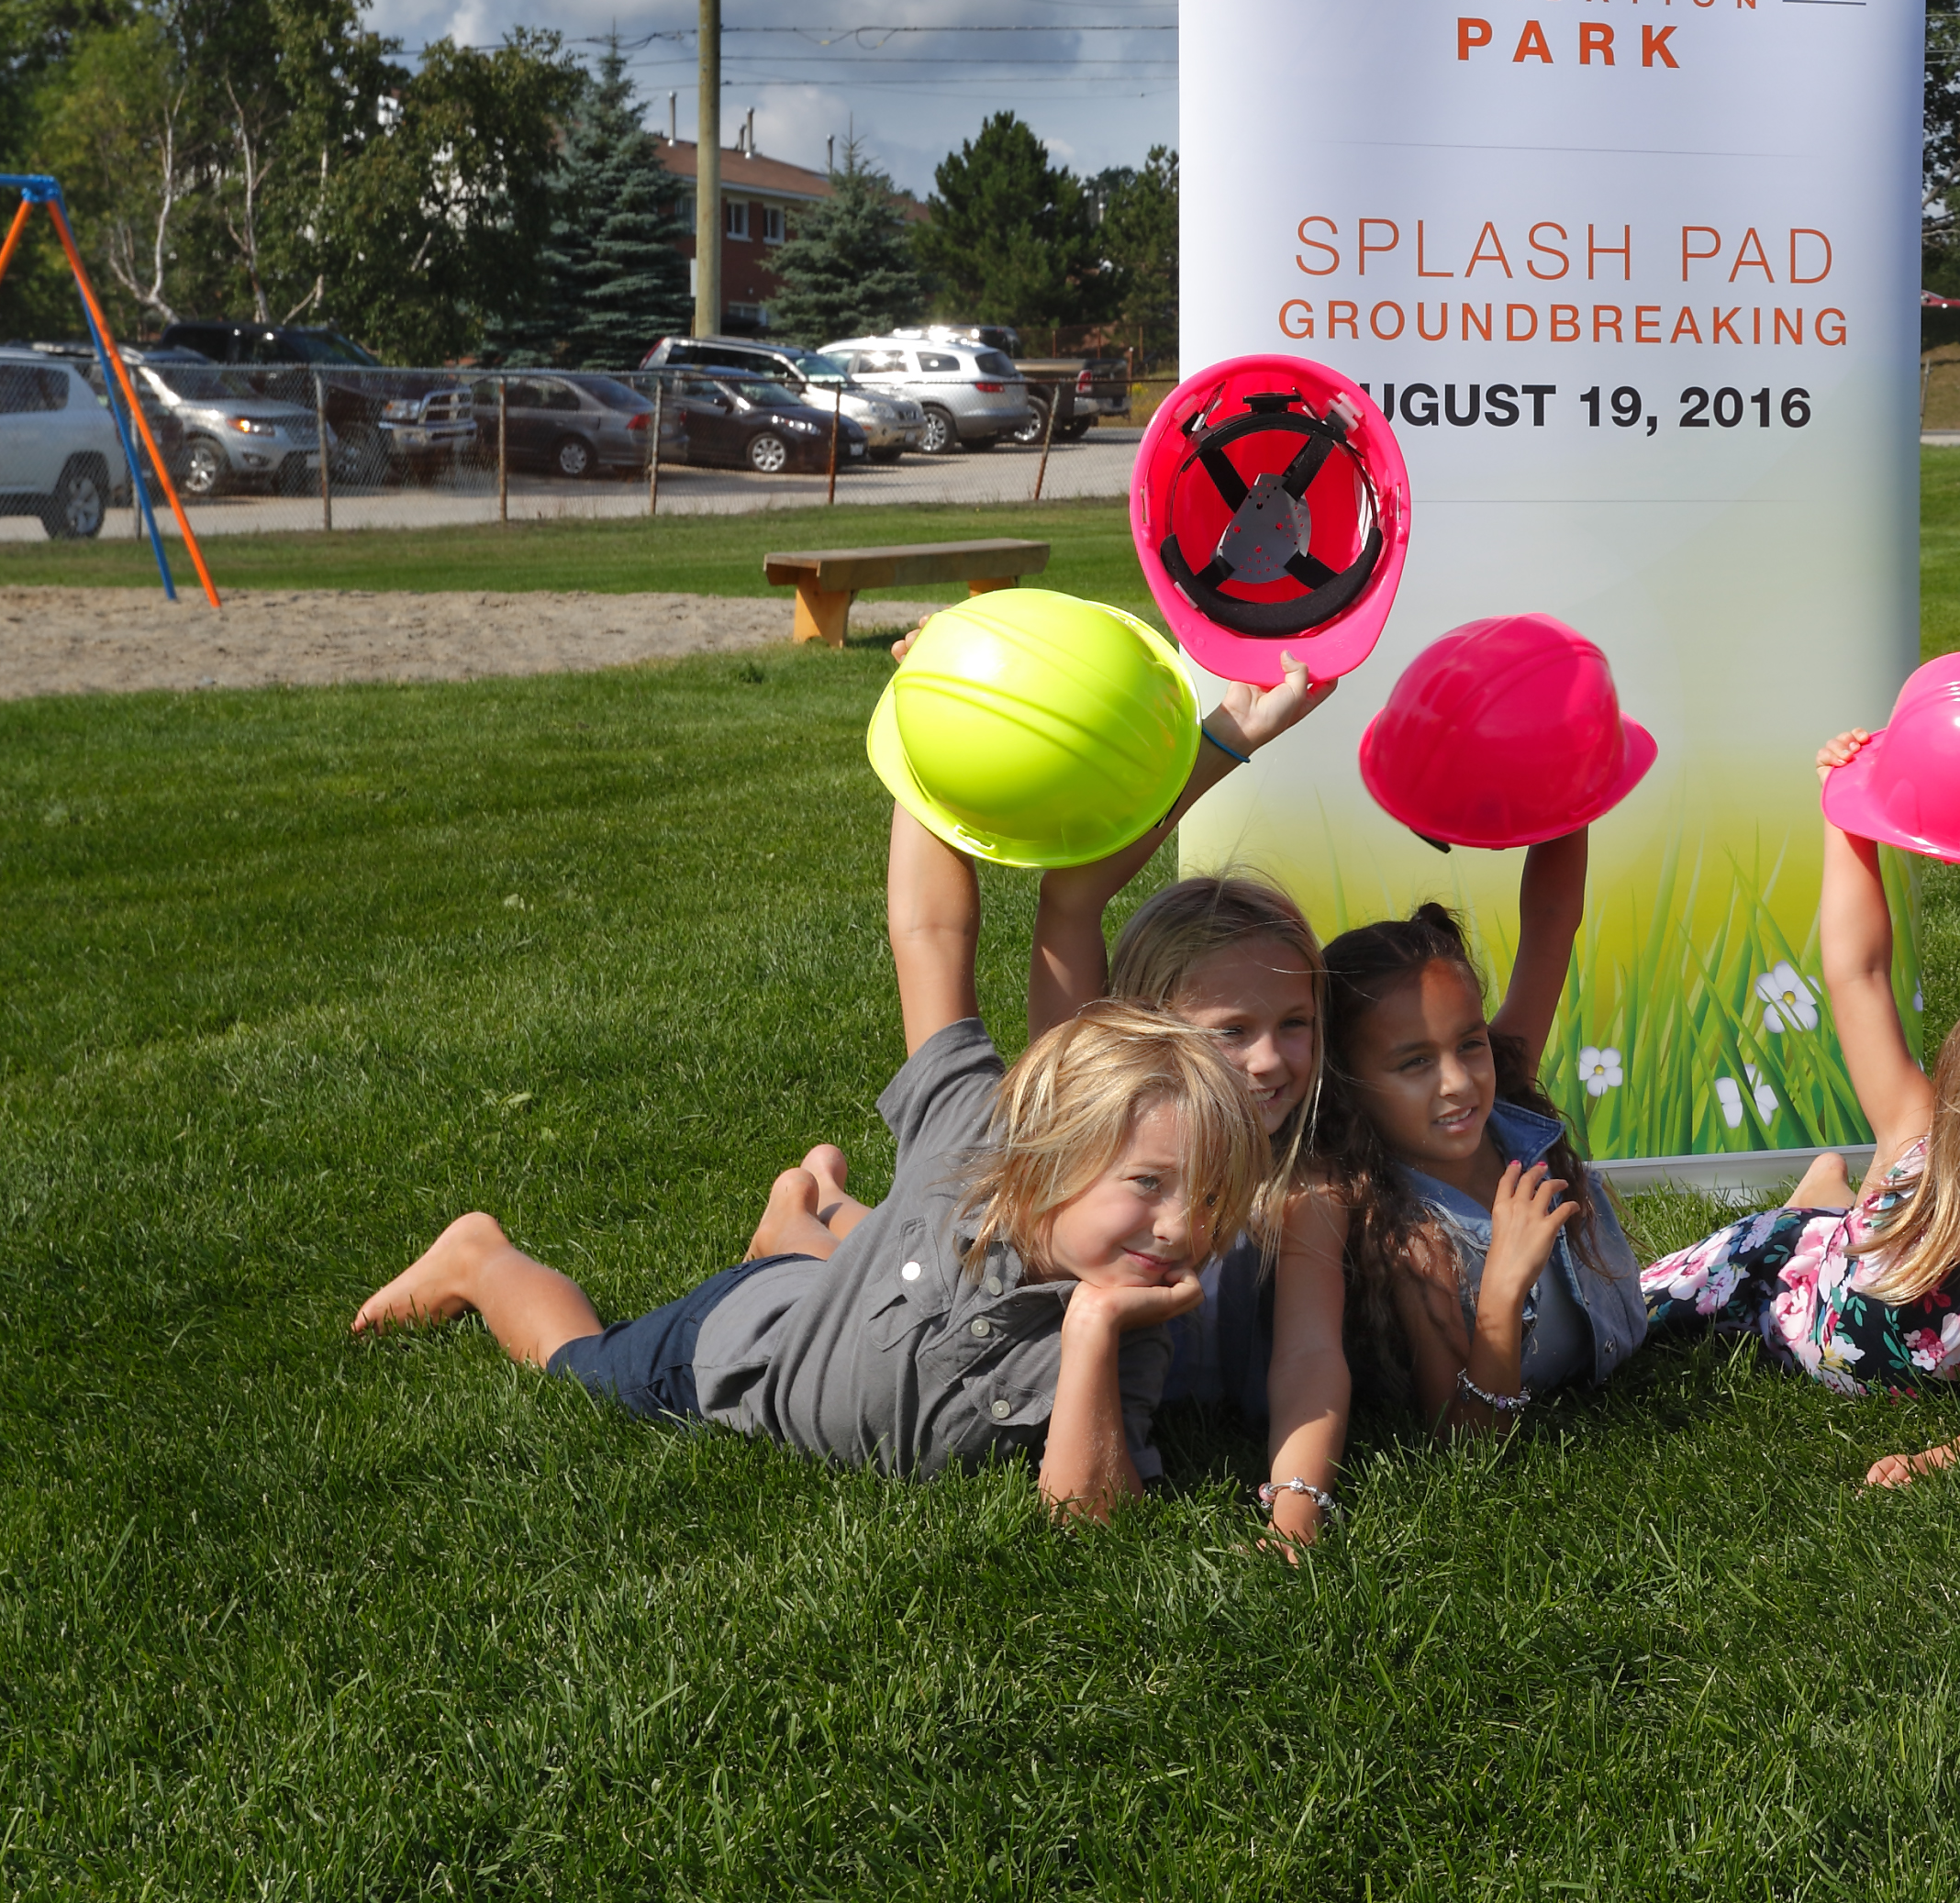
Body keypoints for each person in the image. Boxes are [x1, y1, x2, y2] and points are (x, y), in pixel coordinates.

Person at [350, 871, 1270, 1517]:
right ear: (1048, 1157)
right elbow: (930, 934)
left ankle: (809, 1214)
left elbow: (1087, 1517)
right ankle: (482, 1257)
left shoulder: (1133, 1330)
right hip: (729, 1351)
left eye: (1210, 1199)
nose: (1182, 1226)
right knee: (578, 1360)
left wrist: (1091, 1333)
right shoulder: (968, 1140)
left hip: (833, 1300)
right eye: (1148, 1184)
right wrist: (926, 737)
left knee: (865, 1282)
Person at [767, 630, 1356, 1547]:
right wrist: (1225, 733)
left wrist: (1295, 1508)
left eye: (1294, 1027)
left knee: (893, 1253)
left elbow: (1312, 1363)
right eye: (1229, 1034)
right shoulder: (1104, 1110)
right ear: (1144, 1031)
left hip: (1004, 1311)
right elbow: (1067, 902)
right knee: (913, 1260)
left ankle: (818, 1213)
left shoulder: (1305, 1189)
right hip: (962, 1301)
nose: (1270, 1062)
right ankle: (814, 1218)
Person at [1639, 730, 1960, 1486]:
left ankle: (1827, 1197)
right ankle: (1818, 1206)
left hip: (1832, 1298)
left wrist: (1933, 1460)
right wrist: (1847, 815)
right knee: (1626, 1320)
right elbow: (1859, 974)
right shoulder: (1918, 1132)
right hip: (1777, 1276)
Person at [1308, 830, 1649, 1433]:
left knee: (1772, 1251)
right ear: (1347, 1085)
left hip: (1651, 1305)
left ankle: (1813, 1190)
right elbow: (1466, 1439)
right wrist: (1502, 1286)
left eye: (1470, 1044)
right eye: (1414, 1062)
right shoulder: (1409, 1242)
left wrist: (1566, 794)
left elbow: (1551, 924)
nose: (1458, 1083)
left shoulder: (1505, 1093)